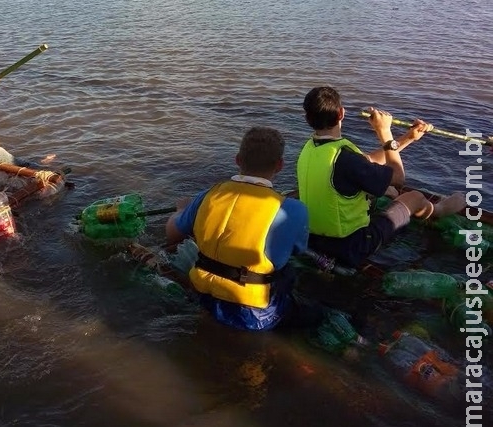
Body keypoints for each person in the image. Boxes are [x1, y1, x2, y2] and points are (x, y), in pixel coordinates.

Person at [296, 86, 466, 268]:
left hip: (313, 238)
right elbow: (399, 178)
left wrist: (409, 137)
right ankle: (438, 210)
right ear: (341, 114)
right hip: (352, 246)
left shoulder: (313, 149)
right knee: (413, 197)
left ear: (308, 119)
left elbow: (369, 162)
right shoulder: (347, 159)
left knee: (388, 189)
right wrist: (384, 132)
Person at [165, 126, 314, 331]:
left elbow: (172, 234)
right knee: (305, 298)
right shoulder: (293, 210)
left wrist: (181, 210)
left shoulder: (208, 195)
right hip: (253, 313)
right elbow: (297, 251)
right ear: (279, 165)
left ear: (238, 160)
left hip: (204, 295)